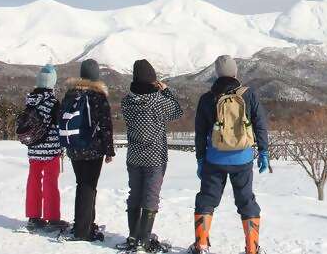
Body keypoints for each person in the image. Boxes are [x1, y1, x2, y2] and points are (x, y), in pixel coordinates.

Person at [189, 55, 269, 254]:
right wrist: (264, 152)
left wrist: (200, 159)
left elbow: (200, 133)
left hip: (214, 159)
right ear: (235, 72)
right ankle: (252, 247)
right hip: (242, 158)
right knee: (246, 200)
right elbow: (260, 125)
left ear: (216, 74)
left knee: (206, 199)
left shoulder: (207, 98)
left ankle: (201, 245)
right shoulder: (248, 96)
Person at [115, 59, 183, 252]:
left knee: (134, 194)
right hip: (155, 158)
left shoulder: (127, 101)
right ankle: (143, 241)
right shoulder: (158, 101)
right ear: (153, 80)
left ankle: (133, 236)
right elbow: (178, 111)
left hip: (134, 156)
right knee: (151, 197)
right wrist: (166, 90)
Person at [62, 59, 116, 241]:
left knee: (82, 184)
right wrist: (109, 150)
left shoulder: (71, 93)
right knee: (89, 186)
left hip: (73, 146)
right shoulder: (97, 95)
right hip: (93, 148)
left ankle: (84, 223)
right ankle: (82, 231)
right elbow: (106, 125)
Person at [24, 64, 67, 230]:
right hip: (50, 150)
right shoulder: (53, 103)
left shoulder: (30, 102)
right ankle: (52, 217)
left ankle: (33, 217)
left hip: (34, 148)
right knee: (50, 183)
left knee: (33, 181)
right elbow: (59, 126)